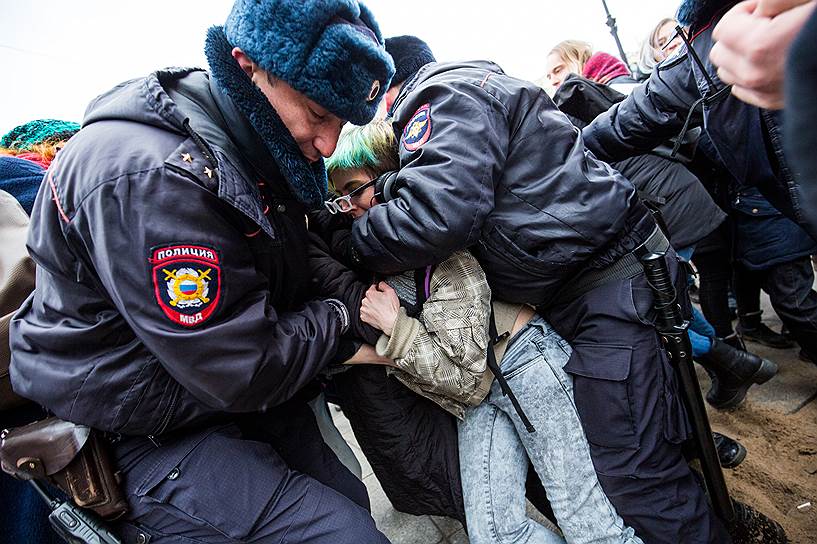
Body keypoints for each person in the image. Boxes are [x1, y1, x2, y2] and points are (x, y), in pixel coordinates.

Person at [8, 1, 396, 542]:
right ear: (247, 67)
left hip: (210, 386)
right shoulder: (155, 180)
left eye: (340, 120)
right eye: (317, 114)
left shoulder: (244, 142)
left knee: (346, 494)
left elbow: (294, 258)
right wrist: (341, 314)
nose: (329, 144)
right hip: (140, 424)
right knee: (343, 534)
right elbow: (243, 367)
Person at [348, 35, 736, 544]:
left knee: (634, 473)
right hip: (594, 284)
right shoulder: (469, 92)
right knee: (639, 445)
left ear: (386, 89)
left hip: (603, 284)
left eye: (355, 194)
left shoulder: (438, 96)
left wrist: (351, 240)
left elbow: (440, 214)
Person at [326, 120, 642, 544]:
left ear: (389, 175)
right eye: (339, 199)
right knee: (496, 534)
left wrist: (395, 330)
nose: (350, 207)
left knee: (593, 529)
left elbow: (467, 377)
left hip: (523, 368)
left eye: (354, 189)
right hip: (482, 394)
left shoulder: (438, 244)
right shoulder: (393, 249)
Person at [582, 0, 817, 367]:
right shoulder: (702, 47)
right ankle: (733, 355)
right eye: (662, 42)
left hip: (722, 211)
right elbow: (630, 119)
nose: (670, 46)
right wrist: (560, 150)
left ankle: (733, 360)